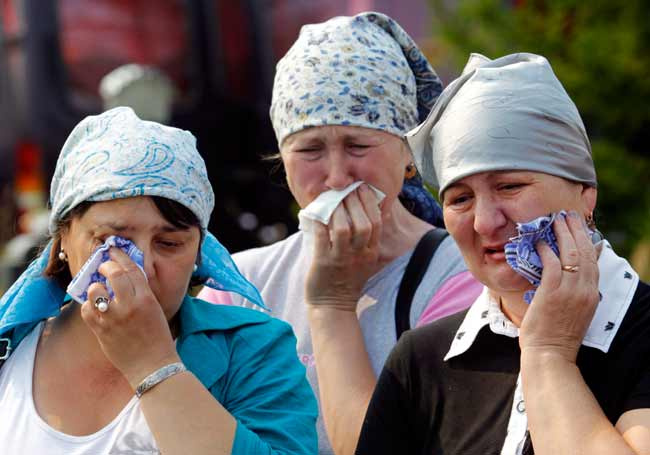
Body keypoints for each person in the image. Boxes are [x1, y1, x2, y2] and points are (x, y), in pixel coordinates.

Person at [199, 12, 482, 454]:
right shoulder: (240, 286)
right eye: (310, 149)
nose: (335, 176)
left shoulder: (461, 277)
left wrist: (333, 303)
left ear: (407, 154)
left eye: (357, 146)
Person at [356, 53, 650, 454]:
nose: (484, 223)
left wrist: (548, 356)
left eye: (510, 186)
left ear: (586, 196)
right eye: (460, 198)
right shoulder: (421, 362)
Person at [0, 106, 318, 454]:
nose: (143, 267)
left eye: (169, 244)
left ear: (199, 254)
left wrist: (152, 364)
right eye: (112, 241)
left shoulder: (253, 349)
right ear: (62, 239)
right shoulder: (12, 349)